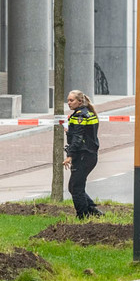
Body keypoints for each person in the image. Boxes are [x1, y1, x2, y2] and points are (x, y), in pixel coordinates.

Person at [62, 89, 102, 219]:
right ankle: (93, 211)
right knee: (75, 186)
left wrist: (70, 156)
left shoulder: (79, 116)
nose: (68, 103)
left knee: (75, 187)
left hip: (84, 155)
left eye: (71, 100)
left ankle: (83, 216)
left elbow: (78, 139)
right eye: (68, 100)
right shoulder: (88, 113)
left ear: (79, 101)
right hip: (90, 155)